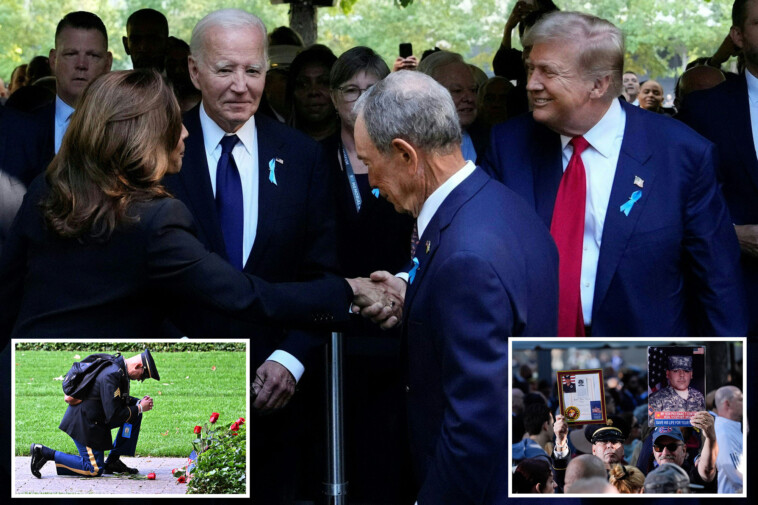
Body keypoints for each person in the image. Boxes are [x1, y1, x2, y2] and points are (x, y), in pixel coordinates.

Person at [0, 70, 392, 340]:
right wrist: (346, 289)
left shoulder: (47, 189)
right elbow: (247, 296)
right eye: (173, 121)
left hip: (25, 389)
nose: (186, 131)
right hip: (90, 393)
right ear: (144, 135)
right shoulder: (156, 220)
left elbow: (7, 290)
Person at [159, 10, 368, 505]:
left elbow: (321, 273)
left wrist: (290, 358)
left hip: (276, 398)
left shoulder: (300, 156)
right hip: (178, 387)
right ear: (194, 71)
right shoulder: (160, 149)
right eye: (224, 70)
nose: (240, 86)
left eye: (252, 71)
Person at [354, 69, 558, 504]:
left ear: (406, 154)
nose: (370, 183)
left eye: (370, 164)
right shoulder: (502, 204)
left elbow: (476, 423)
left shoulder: (466, 258)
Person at [483, 10, 747, 336]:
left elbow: (718, 279)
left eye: (548, 72)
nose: (531, 84)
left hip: (644, 364)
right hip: (534, 363)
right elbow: (472, 238)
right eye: (530, 69)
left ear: (599, 84)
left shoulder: (681, 154)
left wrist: (727, 380)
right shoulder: (508, 145)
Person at [324, 46, 416, 502]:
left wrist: (397, 285)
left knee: (388, 450)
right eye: (350, 89)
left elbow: (422, 236)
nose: (360, 100)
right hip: (331, 328)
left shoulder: (406, 158)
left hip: (394, 322)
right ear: (332, 95)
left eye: (372, 90)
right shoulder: (311, 158)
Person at [676, 0, 758, 335]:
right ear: (737, 36)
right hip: (737, 299)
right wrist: (729, 235)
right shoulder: (704, 110)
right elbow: (673, 200)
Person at [30, 350, 160, 477]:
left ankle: (113, 461)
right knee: (94, 469)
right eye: (142, 376)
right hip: (85, 422)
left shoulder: (119, 369)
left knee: (135, 412)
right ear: (137, 366)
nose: (139, 380)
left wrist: (138, 405)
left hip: (97, 417)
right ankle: (44, 452)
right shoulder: (112, 374)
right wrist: (139, 408)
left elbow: (113, 400)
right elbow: (113, 414)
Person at [36, 11, 113, 165]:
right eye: (71, 54)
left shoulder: (126, 130)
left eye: (93, 55)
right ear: (53, 60)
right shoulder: (21, 130)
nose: (81, 65)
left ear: (107, 63)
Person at [418, 51, 488, 163]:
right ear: (427, 94)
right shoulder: (409, 144)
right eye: (457, 91)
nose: (469, 98)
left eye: (473, 90)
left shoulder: (490, 141)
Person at [287, 44, 338, 140]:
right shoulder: (277, 143)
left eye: (324, 82)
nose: (313, 92)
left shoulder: (356, 145)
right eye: (303, 84)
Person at [649, 424, 717, 492]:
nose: (665, 452)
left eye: (672, 446)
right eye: (659, 447)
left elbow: (707, 469)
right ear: (653, 451)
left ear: (683, 450)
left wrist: (710, 438)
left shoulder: (692, 475)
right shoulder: (649, 479)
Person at [714, 385, 743, 493]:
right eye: (740, 399)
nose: (744, 403)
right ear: (728, 404)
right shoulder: (724, 432)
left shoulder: (729, 428)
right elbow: (731, 466)